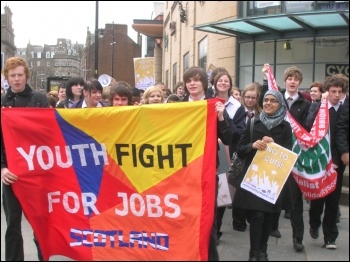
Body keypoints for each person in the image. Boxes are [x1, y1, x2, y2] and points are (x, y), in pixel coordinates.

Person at [233, 89, 293, 261]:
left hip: (273, 181)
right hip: (254, 179)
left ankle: (263, 252)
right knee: (257, 216)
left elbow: (288, 154)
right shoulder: (253, 123)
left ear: (280, 104)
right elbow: (240, 149)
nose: (268, 103)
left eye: (273, 100)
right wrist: (253, 145)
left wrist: (275, 146)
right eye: (266, 100)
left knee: (269, 217)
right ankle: (254, 253)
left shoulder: (285, 127)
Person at [1, 57, 49, 261]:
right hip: (11, 173)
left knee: (39, 222)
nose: (17, 79)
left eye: (20, 75)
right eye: (12, 76)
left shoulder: (40, 99)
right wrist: (2, 167)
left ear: (26, 75)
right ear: (7, 78)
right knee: (13, 224)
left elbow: (49, 135)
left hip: (36, 171)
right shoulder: (2, 103)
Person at [183, 66, 232, 261]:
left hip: (207, 172)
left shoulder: (214, 106)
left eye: (196, 80)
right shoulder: (177, 106)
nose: (192, 84)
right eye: (188, 81)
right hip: (183, 173)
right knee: (184, 219)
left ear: (204, 83)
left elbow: (228, 138)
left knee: (207, 219)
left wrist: (221, 117)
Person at [261, 64, 311, 251]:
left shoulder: (305, 104)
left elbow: (307, 129)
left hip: (296, 158)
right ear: (285, 81)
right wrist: (266, 78)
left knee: (296, 202)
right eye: (289, 79)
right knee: (273, 195)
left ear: (299, 82)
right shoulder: (276, 99)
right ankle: (272, 227)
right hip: (275, 156)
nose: (292, 82)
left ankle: (298, 238)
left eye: (296, 79)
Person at [306, 75, 346, 249]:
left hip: (337, 161)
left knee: (333, 199)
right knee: (318, 198)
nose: (337, 95)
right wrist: (320, 106)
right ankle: (314, 223)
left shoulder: (345, 109)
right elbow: (308, 126)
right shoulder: (318, 107)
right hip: (319, 160)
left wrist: (337, 160)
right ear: (327, 92)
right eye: (333, 91)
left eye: (340, 92)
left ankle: (330, 236)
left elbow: (342, 136)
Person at [213, 71, 245, 240]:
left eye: (227, 81)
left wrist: (224, 116)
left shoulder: (237, 107)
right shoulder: (207, 102)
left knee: (223, 192)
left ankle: (216, 228)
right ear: (214, 83)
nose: (223, 83)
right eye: (220, 80)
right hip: (209, 152)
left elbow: (238, 133)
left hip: (228, 151)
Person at [231, 82, 262, 233]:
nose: (250, 100)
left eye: (253, 98)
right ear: (243, 97)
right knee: (238, 188)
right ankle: (238, 220)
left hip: (255, 155)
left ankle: (249, 216)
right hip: (239, 152)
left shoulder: (260, 113)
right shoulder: (238, 112)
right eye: (247, 97)